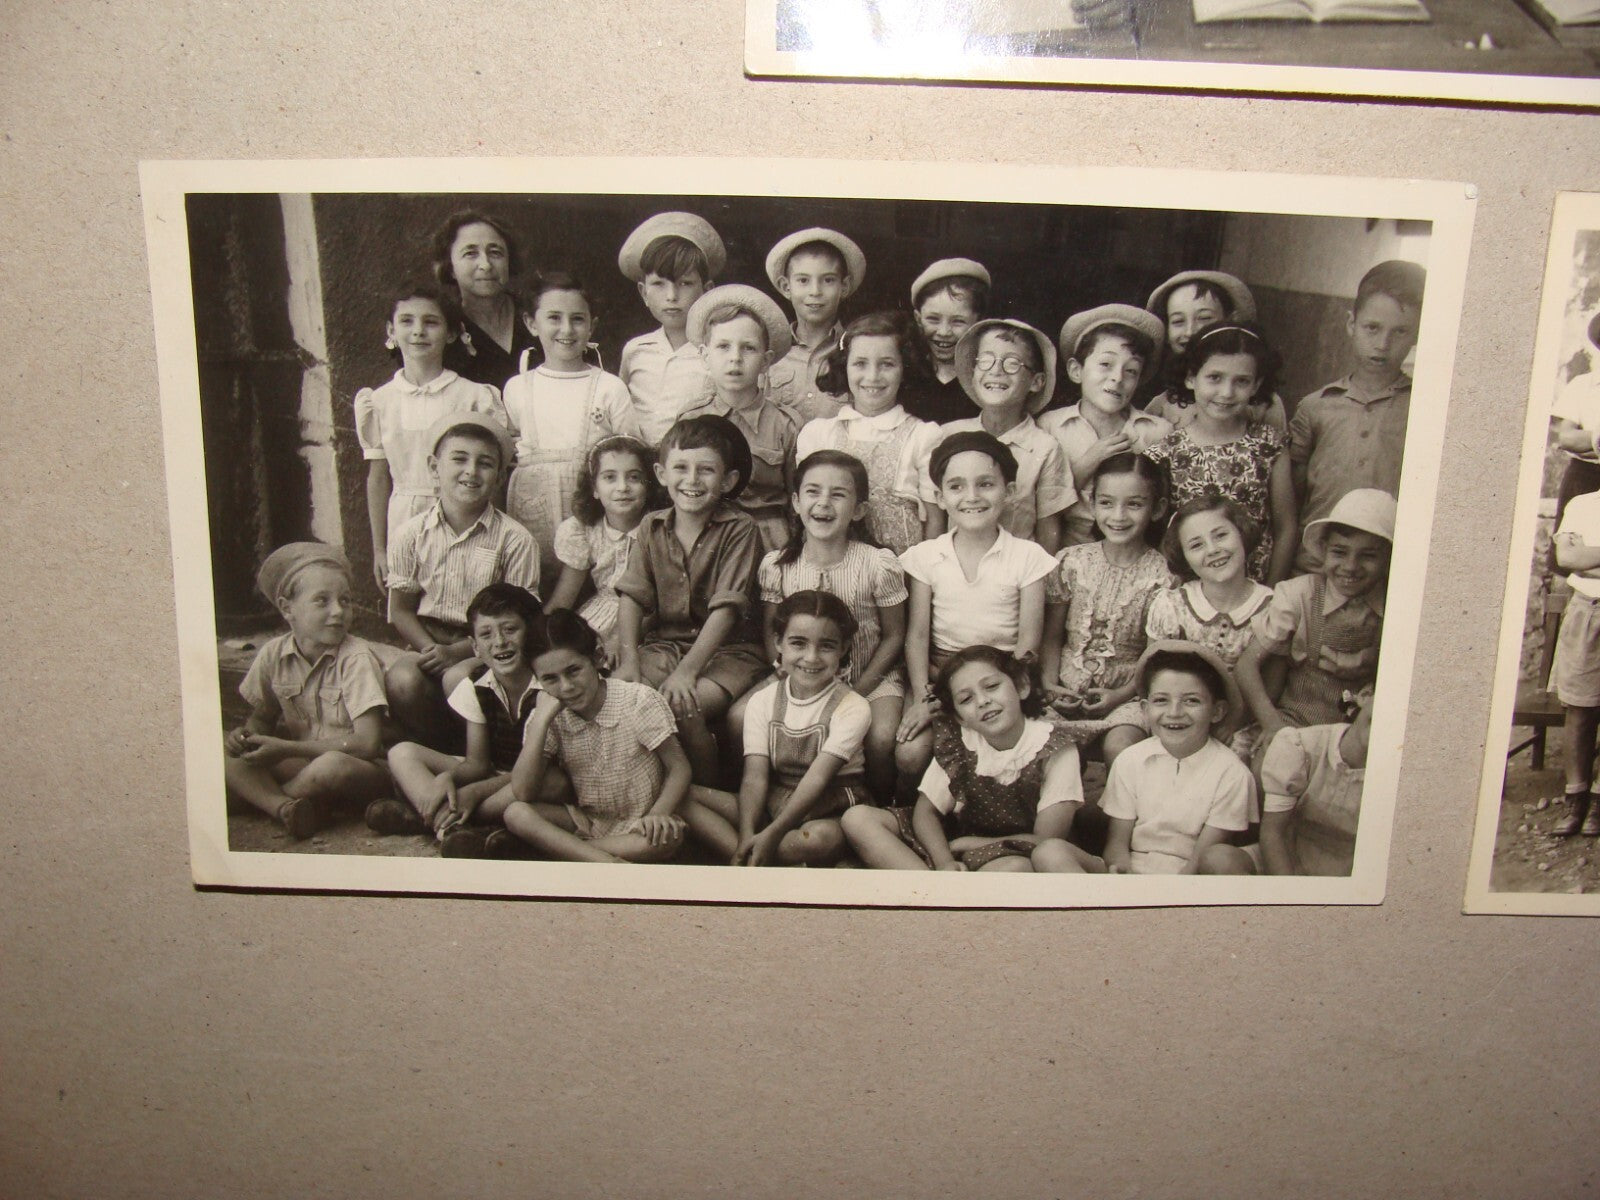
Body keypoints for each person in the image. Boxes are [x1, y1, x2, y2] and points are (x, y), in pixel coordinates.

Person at [840, 645, 1104, 873]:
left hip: (1018, 851)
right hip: (956, 841)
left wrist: (971, 845)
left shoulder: (1055, 748)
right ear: (958, 716)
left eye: (992, 686)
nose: (983, 702)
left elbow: (1047, 839)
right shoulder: (960, 741)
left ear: (1021, 686)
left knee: (1012, 870)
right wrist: (944, 861)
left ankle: (948, 892)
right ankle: (933, 887)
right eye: (966, 699)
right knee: (858, 819)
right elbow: (926, 812)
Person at [896, 431, 1058, 795]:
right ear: (939, 497)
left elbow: (1028, 645)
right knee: (908, 755)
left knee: (1011, 751)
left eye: (985, 484)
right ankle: (917, 822)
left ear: (1010, 490)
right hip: (939, 678)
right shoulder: (926, 556)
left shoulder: (1028, 557)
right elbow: (917, 636)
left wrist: (1001, 692)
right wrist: (925, 697)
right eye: (956, 487)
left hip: (1002, 679)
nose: (971, 497)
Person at [613, 415, 770, 786]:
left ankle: (705, 793)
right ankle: (644, 791)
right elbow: (633, 596)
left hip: (729, 652)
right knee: (623, 696)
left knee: (682, 706)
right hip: (665, 646)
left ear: (728, 481)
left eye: (706, 470)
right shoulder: (651, 526)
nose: (692, 480)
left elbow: (727, 609)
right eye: (680, 468)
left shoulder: (740, 529)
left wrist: (687, 672)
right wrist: (631, 659)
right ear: (661, 473)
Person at [756, 450, 908, 797]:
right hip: (800, 675)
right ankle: (770, 798)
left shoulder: (878, 565)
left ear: (859, 510)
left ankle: (880, 809)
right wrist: (785, 675)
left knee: (882, 737)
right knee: (740, 718)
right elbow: (771, 632)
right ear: (795, 502)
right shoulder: (778, 566)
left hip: (870, 678)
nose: (823, 503)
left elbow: (894, 636)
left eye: (838, 494)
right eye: (812, 492)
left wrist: (858, 689)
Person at [682, 591, 871, 866]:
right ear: (778, 643)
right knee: (683, 797)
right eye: (798, 643)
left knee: (816, 840)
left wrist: (772, 834)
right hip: (775, 799)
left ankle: (751, 856)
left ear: (843, 649)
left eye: (827, 646)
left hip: (831, 808)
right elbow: (755, 778)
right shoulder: (762, 700)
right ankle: (750, 850)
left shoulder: (853, 706)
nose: (811, 657)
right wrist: (749, 830)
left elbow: (816, 780)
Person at [384, 413, 539, 744]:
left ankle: (477, 755)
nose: (471, 471)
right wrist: (431, 650)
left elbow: (521, 618)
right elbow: (400, 610)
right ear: (433, 467)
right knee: (402, 680)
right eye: (459, 459)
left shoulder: (514, 539)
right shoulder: (410, 534)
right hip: (426, 638)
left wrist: (457, 653)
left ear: (499, 477)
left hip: (488, 643)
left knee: (459, 679)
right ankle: (440, 747)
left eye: (485, 463)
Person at [495, 611, 696, 863]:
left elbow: (679, 768)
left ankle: (565, 851)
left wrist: (658, 814)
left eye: (573, 671)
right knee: (516, 812)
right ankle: (606, 862)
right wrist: (540, 723)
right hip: (590, 821)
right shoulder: (549, 715)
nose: (566, 687)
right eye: (550, 679)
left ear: (597, 657)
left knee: (666, 838)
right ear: (537, 680)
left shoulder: (636, 700)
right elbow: (523, 791)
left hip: (641, 825)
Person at [223, 543, 391, 840]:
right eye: (322, 601)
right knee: (224, 752)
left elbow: (368, 743)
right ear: (288, 609)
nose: (338, 611)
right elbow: (261, 720)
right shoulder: (273, 655)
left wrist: (286, 748)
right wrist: (245, 738)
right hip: (304, 767)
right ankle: (290, 808)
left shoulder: (356, 658)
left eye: (345, 600)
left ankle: (268, 801)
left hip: (358, 770)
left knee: (329, 766)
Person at [354, 280, 506, 592]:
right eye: (406, 321)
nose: (418, 331)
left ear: (451, 333)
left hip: (466, 513)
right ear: (391, 332)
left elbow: (497, 472)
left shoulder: (474, 396)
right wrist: (380, 549)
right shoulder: (380, 402)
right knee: (411, 603)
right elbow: (379, 477)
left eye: (431, 322)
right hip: (404, 517)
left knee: (466, 598)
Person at [375, 583, 547, 855]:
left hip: (529, 782)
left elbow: (539, 774)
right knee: (401, 753)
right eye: (486, 634)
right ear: (475, 649)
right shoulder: (476, 686)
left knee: (533, 794)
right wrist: (449, 777)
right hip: (494, 775)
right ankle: (453, 824)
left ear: (532, 635)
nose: (500, 642)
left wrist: (475, 792)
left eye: (510, 629)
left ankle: (438, 819)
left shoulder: (545, 688)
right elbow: (477, 764)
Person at [501, 271, 641, 585]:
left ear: (592, 325)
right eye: (554, 317)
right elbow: (508, 451)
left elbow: (632, 452)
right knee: (534, 580)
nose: (566, 329)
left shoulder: (609, 387)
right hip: (531, 507)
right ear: (531, 324)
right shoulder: (517, 388)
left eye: (577, 319)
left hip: (589, 510)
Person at [1289, 259, 1424, 572]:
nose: (1383, 344)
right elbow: (1293, 501)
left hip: (1385, 570)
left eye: (1400, 332)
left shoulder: (1420, 409)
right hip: (1314, 566)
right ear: (1351, 324)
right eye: (1372, 328)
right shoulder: (1315, 407)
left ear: (1416, 335)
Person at [1041, 453, 1175, 768]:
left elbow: (1156, 654)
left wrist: (1123, 694)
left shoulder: (1164, 576)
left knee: (1122, 747)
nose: (1118, 515)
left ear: (1156, 509)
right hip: (1063, 688)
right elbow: (1051, 636)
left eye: (1134, 504)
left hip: (1127, 695)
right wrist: (1048, 684)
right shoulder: (1071, 561)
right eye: (1106, 503)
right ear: (1092, 503)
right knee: (1038, 741)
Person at [1234, 488, 1394, 745]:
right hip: (1294, 722)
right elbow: (1246, 666)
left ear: (1388, 558)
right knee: (1271, 766)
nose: (1351, 566)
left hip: (1356, 734)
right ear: (1324, 549)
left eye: (1368, 556)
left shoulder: (1394, 607)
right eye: (1339, 552)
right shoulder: (1300, 594)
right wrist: (1273, 725)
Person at [1144, 322, 1297, 583]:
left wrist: (1272, 594)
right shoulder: (1166, 453)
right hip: (1189, 593)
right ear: (1191, 377)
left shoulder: (1270, 445)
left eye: (1241, 381)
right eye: (1215, 378)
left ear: (1257, 385)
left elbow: (1286, 528)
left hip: (1255, 592)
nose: (1226, 392)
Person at [1101, 645, 1256, 875]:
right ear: (1145, 708)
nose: (1174, 712)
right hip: (1131, 873)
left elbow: (1200, 859)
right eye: (1161, 700)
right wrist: (1123, 875)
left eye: (1192, 701)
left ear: (1217, 711)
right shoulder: (1130, 760)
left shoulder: (1232, 774)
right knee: (1052, 852)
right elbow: (1116, 845)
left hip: (1189, 880)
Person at [800, 310, 944, 556]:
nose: (872, 376)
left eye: (887, 364)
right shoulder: (818, 434)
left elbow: (935, 524)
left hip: (902, 577)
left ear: (904, 368)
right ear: (844, 367)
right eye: (860, 363)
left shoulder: (923, 437)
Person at [678, 284, 801, 552]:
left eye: (748, 348)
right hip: (708, 541)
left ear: (766, 361)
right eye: (723, 346)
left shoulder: (786, 424)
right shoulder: (692, 420)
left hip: (769, 542)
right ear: (704, 356)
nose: (735, 358)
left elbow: (797, 500)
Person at [1038, 303, 1172, 546]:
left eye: (1131, 371)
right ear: (1076, 370)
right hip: (1066, 552)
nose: (1117, 378)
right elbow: (1041, 507)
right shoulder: (1050, 426)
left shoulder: (1156, 432)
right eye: (1105, 364)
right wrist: (1088, 462)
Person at [941, 318, 1073, 553]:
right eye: (986, 360)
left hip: (1016, 577)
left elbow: (1048, 530)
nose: (996, 370)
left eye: (1012, 363)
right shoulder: (948, 435)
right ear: (973, 372)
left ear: (1036, 381)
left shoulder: (1044, 448)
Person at [544, 435, 665, 664]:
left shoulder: (660, 528)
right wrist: (539, 636)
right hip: (597, 618)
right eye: (610, 477)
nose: (623, 487)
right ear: (595, 489)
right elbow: (562, 601)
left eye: (634, 477)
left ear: (649, 486)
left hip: (648, 623)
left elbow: (661, 602)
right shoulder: (584, 531)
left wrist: (622, 640)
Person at [616, 211, 725, 445]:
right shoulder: (635, 350)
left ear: (707, 290)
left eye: (685, 283)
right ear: (643, 292)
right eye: (658, 284)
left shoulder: (719, 350)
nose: (672, 296)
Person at [1141, 269, 1287, 432]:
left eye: (1204, 318)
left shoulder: (1262, 404)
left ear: (1230, 321)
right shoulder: (1161, 406)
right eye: (1178, 321)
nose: (1190, 332)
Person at [1145, 493, 1274, 669]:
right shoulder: (1171, 607)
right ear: (1184, 557)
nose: (1212, 550)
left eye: (1220, 535)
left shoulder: (1272, 608)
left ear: (1242, 534)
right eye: (1196, 545)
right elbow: (1152, 674)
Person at [1259, 686, 1370, 875]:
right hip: (1288, 859)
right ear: (1366, 696)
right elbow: (1273, 833)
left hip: (1346, 878)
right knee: (1221, 859)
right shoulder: (1303, 745)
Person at [764, 226, 866, 422]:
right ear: (786, 287)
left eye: (828, 280)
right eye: (803, 280)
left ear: (843, 287)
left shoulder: (856, 351)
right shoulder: (769, 351)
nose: (815, 291)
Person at [430, 210, 538, 389]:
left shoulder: (537, 314)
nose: (486, 265)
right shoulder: (444, 329)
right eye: (470, 253)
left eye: (495, 253)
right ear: (450, 267)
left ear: (509, 262)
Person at [1545, 486, 1600, 837]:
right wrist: (1580, 559)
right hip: (1587, 612)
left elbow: (1581, 559)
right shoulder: (1583, 504)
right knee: (1579, 710)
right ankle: (1575, 798)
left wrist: (1589, 557)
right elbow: (1566, 559)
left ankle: (1598, 801)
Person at [907, 257, 990, 425]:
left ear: (979, 322)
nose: (944, 332)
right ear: (918, 318)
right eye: (933, 319)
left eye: (958, 321)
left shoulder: (986, 379)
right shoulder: (906, 373)